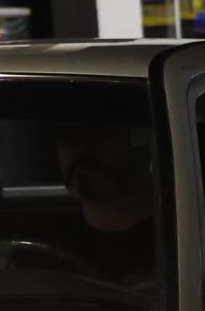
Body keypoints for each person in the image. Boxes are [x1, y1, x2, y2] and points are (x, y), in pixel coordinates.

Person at [53, 120, 157, 285]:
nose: (79, 149)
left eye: (98, 133)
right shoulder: (51, 245)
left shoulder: (182, 237)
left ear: (137, 143)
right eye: (67, 136)